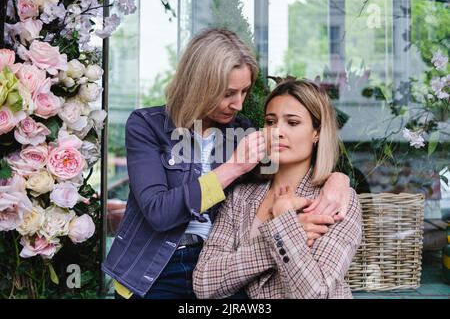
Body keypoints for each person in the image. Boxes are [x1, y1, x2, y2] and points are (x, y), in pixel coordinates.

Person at [102, 28, 352, 299]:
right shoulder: (148, 125)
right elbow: (158, 212)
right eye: (228, 93)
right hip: (152, 270)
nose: (238, 104)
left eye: (244, 92)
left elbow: (293, 160)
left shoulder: (243, 131)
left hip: (218, 266)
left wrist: (338, 180)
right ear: (199, 84)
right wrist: (232, 167)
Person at [193, 79, 362, 299]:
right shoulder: (241, 197)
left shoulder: (335, 199)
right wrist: (280, 236)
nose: (277, 132)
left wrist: (283, 217)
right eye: (271, 122)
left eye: (292, 123)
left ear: (317, 133)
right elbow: (204, 284)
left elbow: (315, 294)